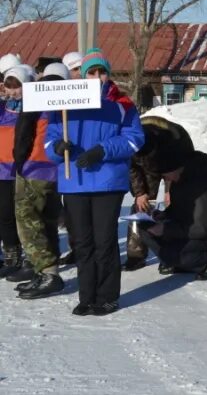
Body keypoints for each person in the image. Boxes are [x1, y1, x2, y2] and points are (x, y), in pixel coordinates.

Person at [47, 48, 145, 316]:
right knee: (82, 243)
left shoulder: (121, 104)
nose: (97, 77)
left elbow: (135, 138)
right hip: (74, 181)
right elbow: (50, 135)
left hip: (107, 183)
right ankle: (87, 296)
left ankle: (107, 296)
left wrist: (103, 150)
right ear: (83, 74)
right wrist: (57, 147)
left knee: (104, 242)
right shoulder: (63, 102)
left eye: (102, 72)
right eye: (92, 71)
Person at [136, 132, 207, 281]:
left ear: (176, 167)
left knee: (173, 253)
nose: (165, 179)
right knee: (145, 228)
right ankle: (177, 260)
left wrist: (166, 229)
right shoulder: (178, 179)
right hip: (185, 228)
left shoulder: (203, 182)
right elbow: (179, 209)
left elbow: (201, 228)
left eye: (165, 175)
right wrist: (162, 216)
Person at [10, 63, 69, 298]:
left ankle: (48, 273)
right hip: (56, 168)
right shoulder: (70, 97)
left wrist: (19, 160)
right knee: (48, 220)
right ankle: (44, 270)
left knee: (27, 219)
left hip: (34, 165)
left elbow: (24, 131)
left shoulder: (38, 93)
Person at [124, 117, 189, 271]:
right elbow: (132, 168)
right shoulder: (132, 141)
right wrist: (140, 193)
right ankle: (136, 254)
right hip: (145, 169)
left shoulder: (176, 141)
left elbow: (182, 167)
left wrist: (169, 190)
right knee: (141, 206)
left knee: (176, 203)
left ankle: (174, 252)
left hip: (175, 168)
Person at [0, 64, 33, 280]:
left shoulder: (32, 109)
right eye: (9, 86)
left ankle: (30, 256)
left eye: (17, 86)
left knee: (24, 215)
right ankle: (11, 254)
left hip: (25, 170)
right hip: (3, 170)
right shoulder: (2, 109)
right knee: (4, 215)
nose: (13, 91)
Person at [57, 51, 83, 267]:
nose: (78, 74)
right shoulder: (62, 91)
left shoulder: (88, 91)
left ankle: (83, 249)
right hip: (67, 162)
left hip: (87, 160)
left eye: (79, 69)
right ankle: (75, 248)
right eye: (74, 70)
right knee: (71, 214)